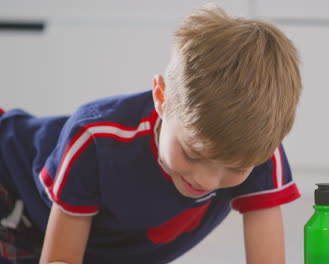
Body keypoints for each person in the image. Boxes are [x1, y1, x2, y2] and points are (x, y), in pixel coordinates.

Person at [0, 5, 302, 264]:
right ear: (162, 97)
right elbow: (61, 257)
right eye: (192, 153)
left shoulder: (254, 145)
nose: (207, 181)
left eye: (236, 169)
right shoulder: (96, 140)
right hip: (12, 185)